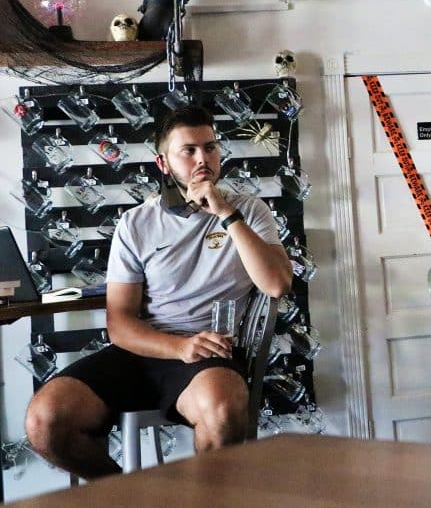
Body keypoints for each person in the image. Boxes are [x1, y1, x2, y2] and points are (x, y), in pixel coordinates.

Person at [25, 106, 293, 478]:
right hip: (143, 352)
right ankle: (128, 499)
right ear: (163, 163)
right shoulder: (136, 223)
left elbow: (277, 284)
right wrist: (179, 347)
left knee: (224, 411)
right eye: (189, 150)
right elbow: (119, 323)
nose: (204, 159)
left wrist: (226, 215)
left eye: (210, 147)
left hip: (208, 355)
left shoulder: (250, 210)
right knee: (45, 420)